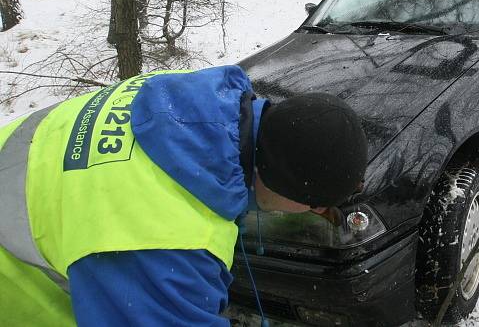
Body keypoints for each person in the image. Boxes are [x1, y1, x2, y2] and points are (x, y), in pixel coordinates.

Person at [0, 65, 368, 326]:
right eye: (314, 206)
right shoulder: (160, 245)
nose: (311, 212)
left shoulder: (187, 100)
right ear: (280, 184)